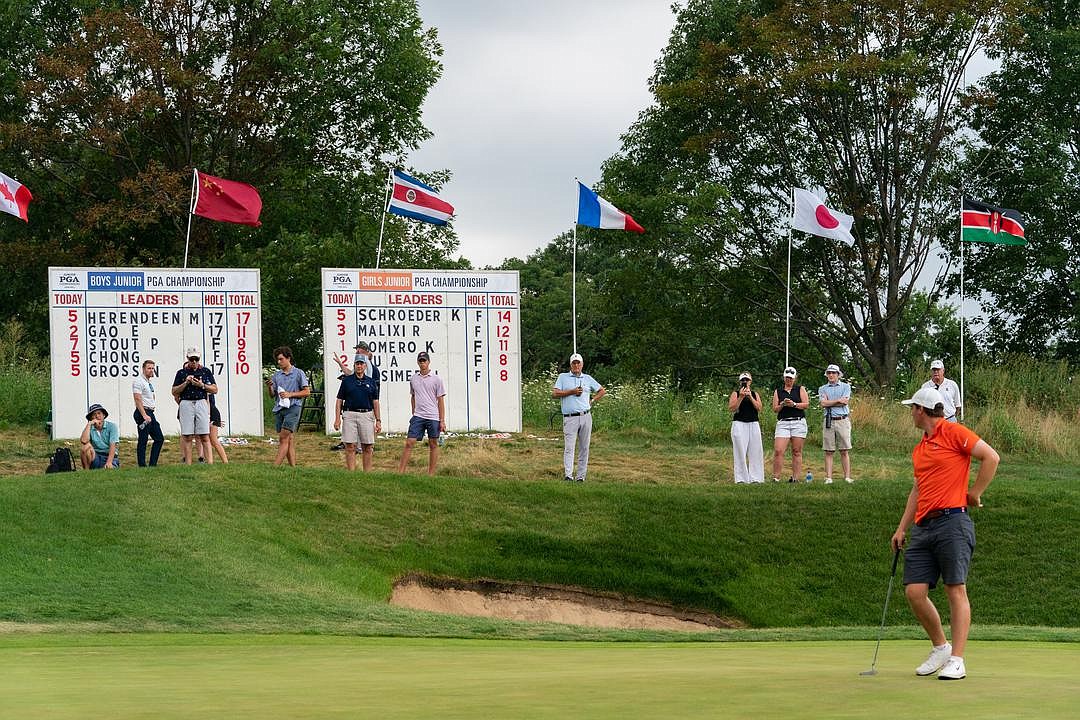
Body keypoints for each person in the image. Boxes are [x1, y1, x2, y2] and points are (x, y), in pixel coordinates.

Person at [891, 387, 1000, 680]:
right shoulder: (920, 447)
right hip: (923, 527)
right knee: (914, 592)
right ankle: (940, 646)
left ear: (921, 410)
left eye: (912, 408)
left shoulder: (953, 432)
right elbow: (917, 488)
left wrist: (974, 493)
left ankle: (957, 659)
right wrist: (902, 527)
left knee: (955, 588)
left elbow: (991, 457)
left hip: (953, 522)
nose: (910, 413)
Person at [552, 352, 606, 482]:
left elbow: (602, 390)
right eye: (574, 363)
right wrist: (572, 391)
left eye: (578, 363)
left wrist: (592, 400)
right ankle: (568, 475)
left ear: (582, 365)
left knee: (584, 447)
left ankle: (581, 477)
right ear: (570, 365)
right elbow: (555, 394)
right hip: (570, 417)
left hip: (585, 416)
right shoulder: (563, 377)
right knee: (569, 447)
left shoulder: (587, 378)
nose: (576, 365)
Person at [398, 351, 447, 476]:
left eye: (424, 360)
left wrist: (442, 420)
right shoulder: (413, 378)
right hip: (418, 416)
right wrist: (414, 412)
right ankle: (400, 473)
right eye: (420, 361)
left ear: (429, 362)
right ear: (417, 362)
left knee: (433, 444)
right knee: (409, 442)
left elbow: (440, 400)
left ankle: (431, 474)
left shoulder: (437, 379)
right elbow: (413, 396)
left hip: (433, 416)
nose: (422, 363)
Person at [334, 354, 382, 471]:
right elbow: (339, 400)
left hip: (366, 415)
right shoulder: (347, 381)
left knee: (367, 446)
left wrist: (378, 420)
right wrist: (337, 418)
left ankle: (367, 474)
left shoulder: (371, 382)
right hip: (349, 415)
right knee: (350, 445)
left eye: (361, 364)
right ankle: (352, 473)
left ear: (365, 366)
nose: (359, 366)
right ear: (354, 365)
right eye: (357, 364)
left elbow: (375, 402)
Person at [171, 347, 217, 465]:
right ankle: (188, 463)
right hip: (186, 402)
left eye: (196, 359)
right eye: (192, 359)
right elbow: (174, 391)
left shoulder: (205, 371)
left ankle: (210, 463)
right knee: (187, 436)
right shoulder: (181, 373)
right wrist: (186, 383)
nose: (194, 362)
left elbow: (215, 389)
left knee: (204, 435)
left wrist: (202, 385)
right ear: (188, 358)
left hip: (201, 401)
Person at [267, 346, 310, 467]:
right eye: (277, 359)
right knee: (289, 439)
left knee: (283, 438)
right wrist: (269, 386)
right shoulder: (276, 375)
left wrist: (290, 394)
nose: (278, 362)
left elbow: (307, 392)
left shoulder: (298, 373)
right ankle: (293, 467)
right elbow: (272, 395)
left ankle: (275, 467)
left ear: (288, 358)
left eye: (281, 359)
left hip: (293, 407)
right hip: (280, 408)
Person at [771, 366, 809, 483]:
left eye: (791, 378)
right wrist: (782, 404)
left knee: (796, 451)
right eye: (787, 378)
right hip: (783, 423)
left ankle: (795, 478)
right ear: (784, 377)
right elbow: (775, 409)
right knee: (778, 450)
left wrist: (793, 404)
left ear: (795, 378)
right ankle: (776, 477)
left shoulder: (800, 389)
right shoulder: (778, 391)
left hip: (798, 422)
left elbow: (806, 404)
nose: (789, 380)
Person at [818, 363, 853, 484]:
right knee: (828, 450)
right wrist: (838, 400)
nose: (831, 375)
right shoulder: (822, 388)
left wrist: (830, 401)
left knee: (844, 450)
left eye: (833, 373)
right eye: (829, 373)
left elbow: (844, 402)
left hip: (842, 420)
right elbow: (823, 403)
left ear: (838, 374)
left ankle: (847, 477)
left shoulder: (846, 386)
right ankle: (828, 477)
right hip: (829, 420)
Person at [728, 371, 764, 484]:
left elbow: (759, 408)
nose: (745, 382)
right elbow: (732, 408)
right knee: (740, 451)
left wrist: (750, 397)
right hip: (739, 423)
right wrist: (741, 397)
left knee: (755, 451)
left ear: (750, 382)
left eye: (747, 380)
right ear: (740, 382)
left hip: (753, 423)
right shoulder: (735, 393)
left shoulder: (754, 394)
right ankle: (741, 479)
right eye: (743, 380)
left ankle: (756, 478)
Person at [132, 359, 163, 467]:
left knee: (159, 438)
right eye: (149, 368)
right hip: (143, 412)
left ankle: (152, 464)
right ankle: (142, 465)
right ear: (143, 369)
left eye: (153, 368)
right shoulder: (138, 381)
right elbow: (137, 399)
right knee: (143, 440)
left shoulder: (148, 382)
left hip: (150, 412)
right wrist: (144, 415)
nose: (151, 370)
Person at [79, 403, 119, 469]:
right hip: (96, 456)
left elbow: (113, 445)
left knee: (108, 472)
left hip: (109, 457)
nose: (97, 416)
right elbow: (84, 441)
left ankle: (109, 465)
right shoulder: (89, 428)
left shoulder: (112, 426)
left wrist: (109, 462)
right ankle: (86, 472)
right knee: (85, 447)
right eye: (94, 414)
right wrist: (89, 424)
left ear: (103, 415)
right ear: (91, 417)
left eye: (99, 413)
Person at [206, 393, 229, 463]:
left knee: (213, 440)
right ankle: (207, 460)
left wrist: (209, 417)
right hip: (208, 412)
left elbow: (208, 401)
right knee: (206, 439)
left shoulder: (205, 386)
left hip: (212, 413)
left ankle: (225, 461)